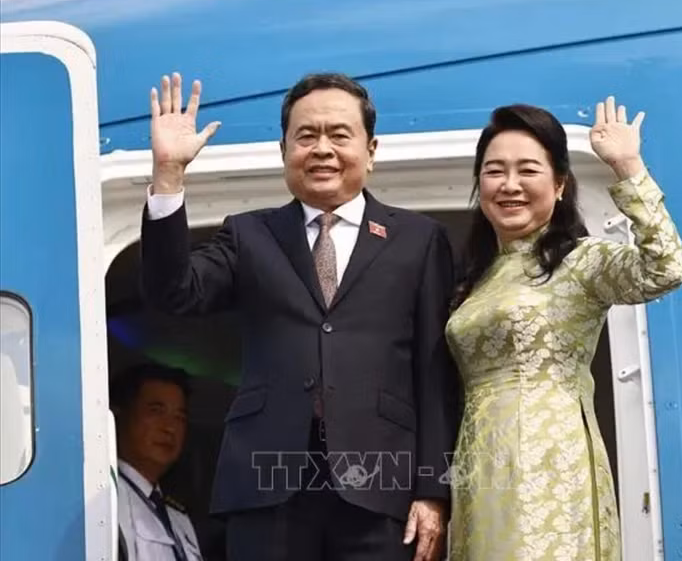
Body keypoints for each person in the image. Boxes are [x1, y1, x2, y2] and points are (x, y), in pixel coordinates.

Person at [139, 72, 460, 561]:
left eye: (339, 134)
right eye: (306, 136)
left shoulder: (418, 239)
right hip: (268, 489)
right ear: (284, 149)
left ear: (371, 150)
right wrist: (168, 176)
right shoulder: (249, 235)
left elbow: (434, 372)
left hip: (380, 490)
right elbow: (174, 293)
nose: (322, 149)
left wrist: (434, 491)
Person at [445, 97, 682, 560]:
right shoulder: (476, 277)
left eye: (528, 170)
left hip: (549, 458)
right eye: (495, 171)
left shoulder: (581, 261)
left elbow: (666, 269)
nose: (510, 184)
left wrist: (627, 167)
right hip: (477, 458)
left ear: (559, 185)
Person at [111, 363, 203, 561]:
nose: (169, 428)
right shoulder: (105, 497)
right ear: (118, 415)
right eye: (156, 411)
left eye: (179, 417)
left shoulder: (178, 518)